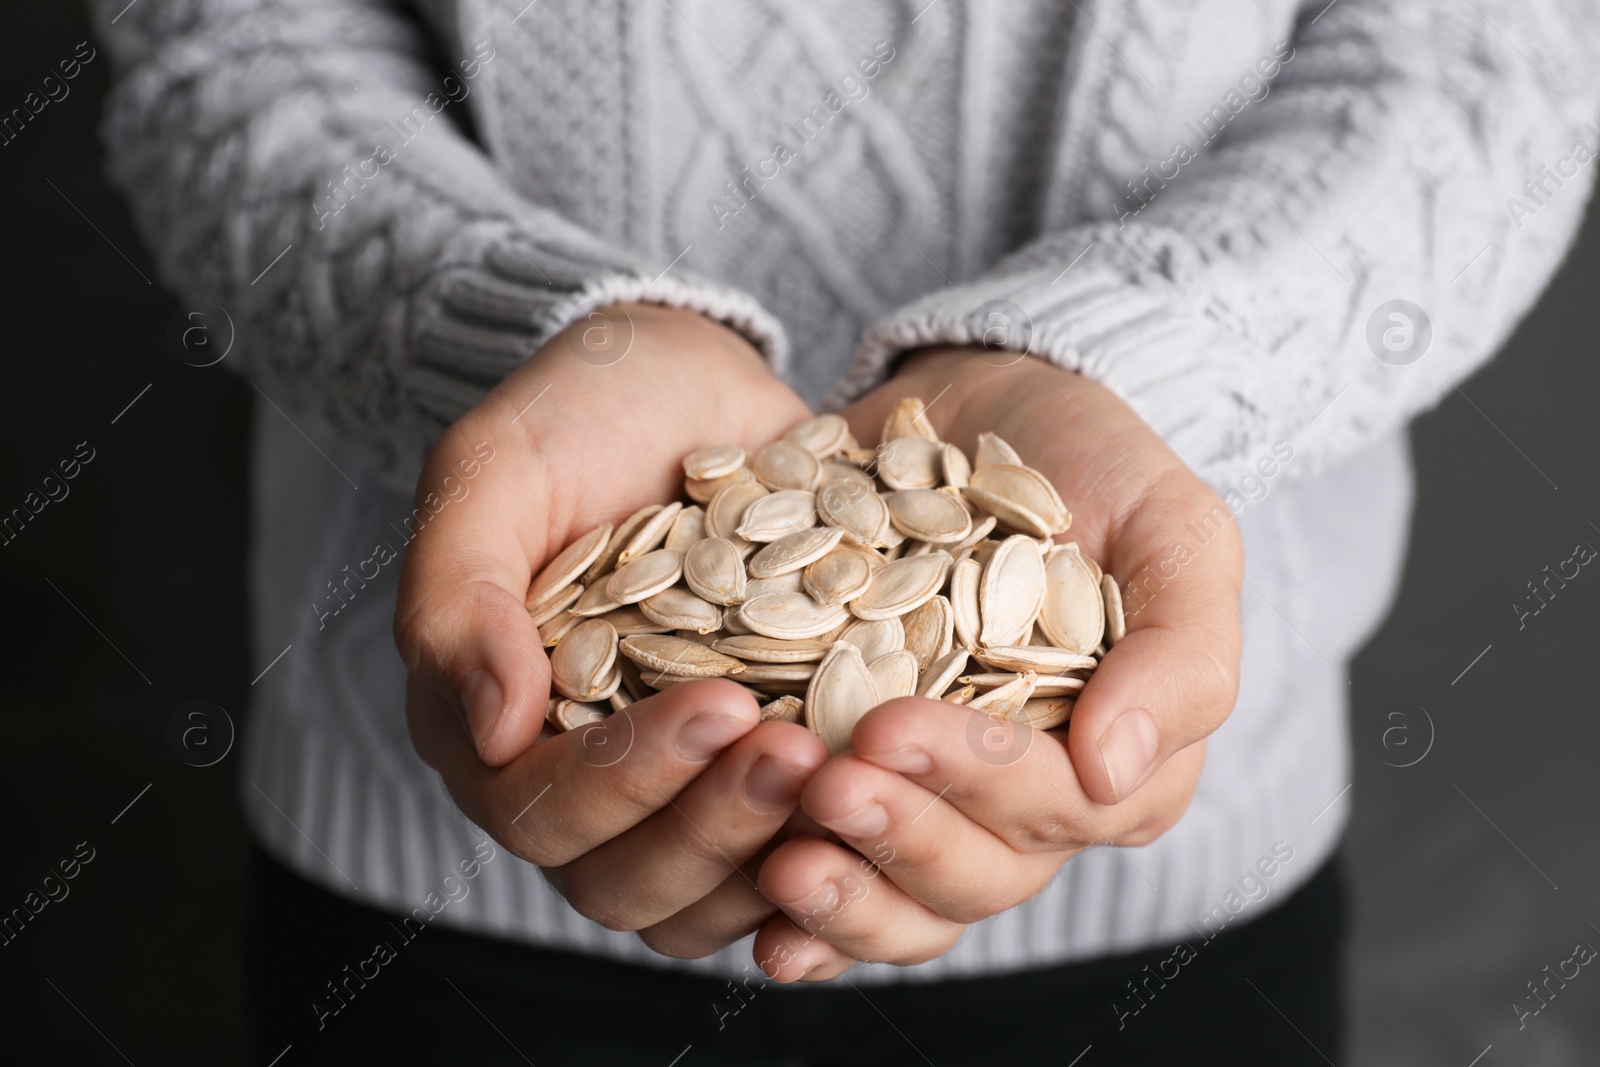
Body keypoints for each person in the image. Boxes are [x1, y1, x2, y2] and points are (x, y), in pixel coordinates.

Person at [94, 0, 1600, 1062]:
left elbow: (1494, 57)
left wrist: (1140, 361)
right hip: (442, 866)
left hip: (1161, 888)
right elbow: (233, 37)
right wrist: (502, 334)